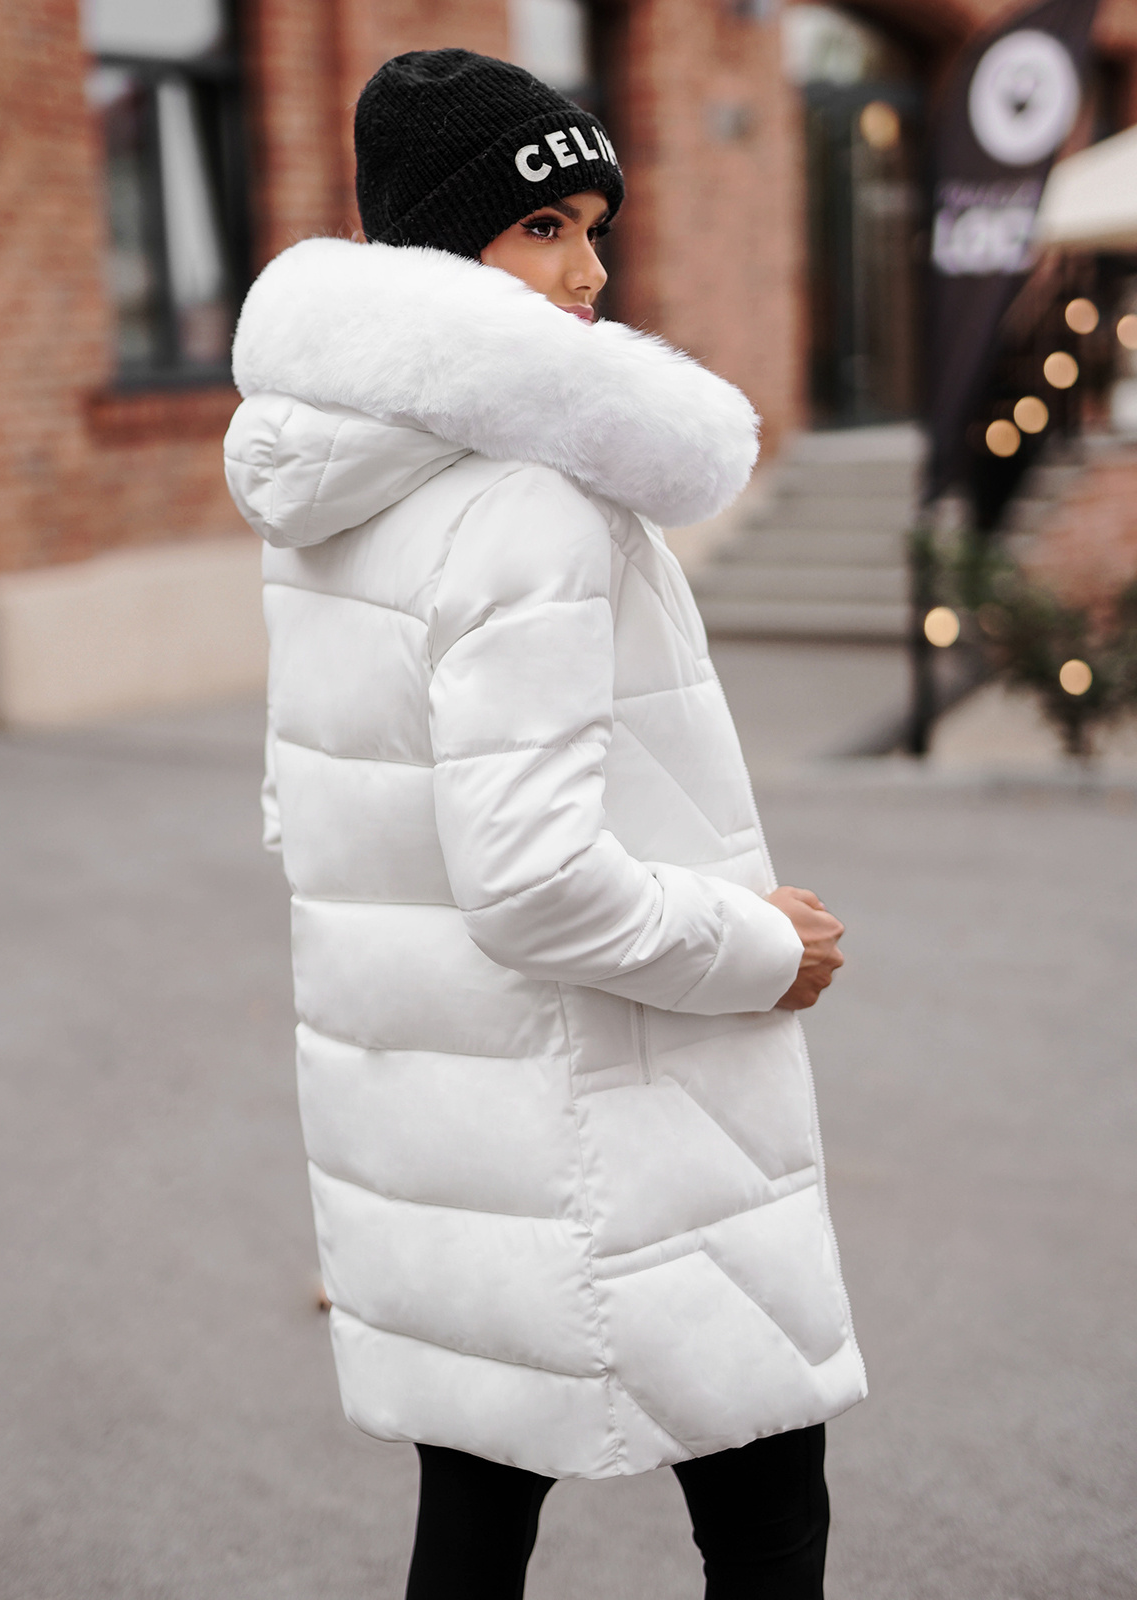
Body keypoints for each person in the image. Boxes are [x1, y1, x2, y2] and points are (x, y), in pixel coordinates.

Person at [224, 47, 865, 1600]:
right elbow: (533, 882)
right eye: (543, 230)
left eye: (595, 229)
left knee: (478, 1506)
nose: (590, 275)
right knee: (767, 1508)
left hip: (452, 1121)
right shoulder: (527, 500)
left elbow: (314, 816)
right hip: (614, 1116)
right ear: (442, 247)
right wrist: (759, 946)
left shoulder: (340, 491)